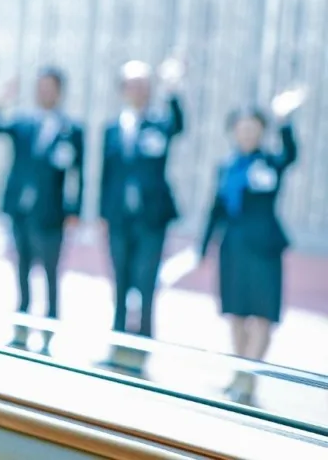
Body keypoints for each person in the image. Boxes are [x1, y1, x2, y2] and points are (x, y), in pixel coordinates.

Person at [198, 92, 301, 405]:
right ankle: (238, 373)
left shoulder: (270, 162)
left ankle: (250, 377)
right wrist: (203, 248)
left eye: (253, 128)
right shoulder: (227, 167)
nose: (247, 133)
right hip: (234, 248)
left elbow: (291, 154)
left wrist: (285, 122)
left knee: (263, 314)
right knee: (237, 313)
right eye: (242, 128)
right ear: (233, 131)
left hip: (265, 248)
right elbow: (215, 210)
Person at [0, 68, 84, 350]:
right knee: (22, 269)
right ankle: (21, 328)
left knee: (50, 273)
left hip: (51, 214)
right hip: (20, 209)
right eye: (40, 87)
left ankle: (49, 332)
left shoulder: (71, 129)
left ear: (60, 91)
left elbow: (79, 173)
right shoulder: (24, 122)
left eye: (50, 87)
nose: (44, 92)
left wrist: (74, 211)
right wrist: (0, 99)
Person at [99, 59, 184, 340]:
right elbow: (106, 174)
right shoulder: (113, 128)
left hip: (151, 218)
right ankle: (118, 336)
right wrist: (103, 215)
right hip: (119, 217)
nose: (138, 91)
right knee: (120, 278)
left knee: (146, 280)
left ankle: (144, 341)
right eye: (132, 85)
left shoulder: (159, 124)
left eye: (143, 85)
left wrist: (172, 91)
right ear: (122, 89)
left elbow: (178, 124)